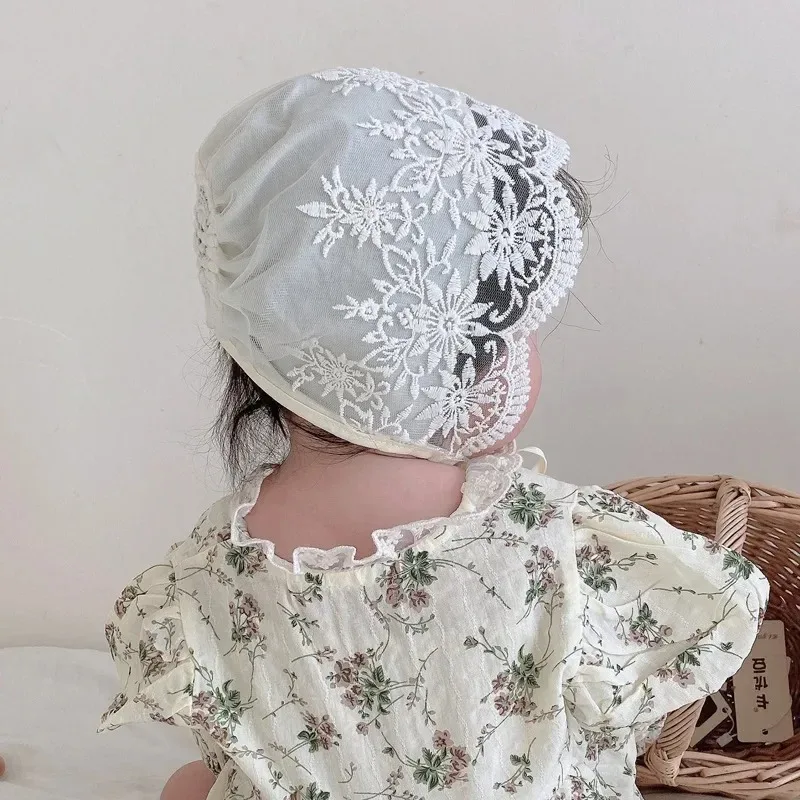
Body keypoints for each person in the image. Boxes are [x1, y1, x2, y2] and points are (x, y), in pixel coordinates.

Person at [99, 69, 769, 800]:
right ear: (441, 361)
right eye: (510, 331)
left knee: (188, 782)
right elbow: (671, 668)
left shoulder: (196, 582)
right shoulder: (564, 547)